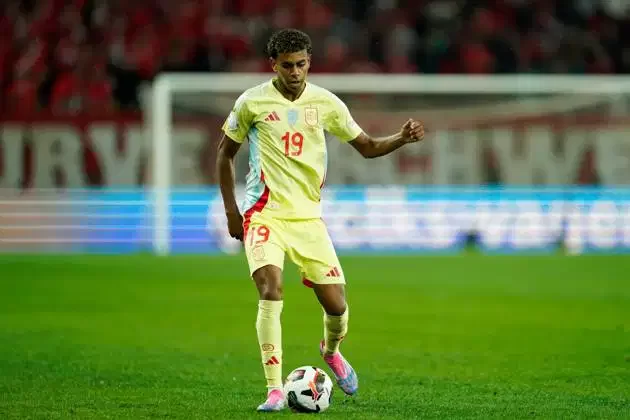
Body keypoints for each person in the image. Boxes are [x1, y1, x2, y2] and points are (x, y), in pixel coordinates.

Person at [216, 28, 425, 412]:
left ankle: (331, 352)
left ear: (309, 62)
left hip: (309, 220)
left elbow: (367, 147)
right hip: (265, 214)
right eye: (286, 66)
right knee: (270, 289)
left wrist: (401, 137)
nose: (294, 72)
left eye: (301, 64)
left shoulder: (326, 103)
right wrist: (233, 211)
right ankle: (275, 389)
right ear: (273, 65)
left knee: (337, 306)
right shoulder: (252, 102)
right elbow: (224, 154)